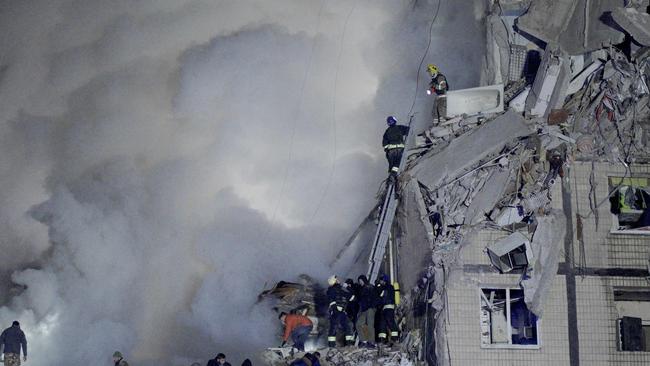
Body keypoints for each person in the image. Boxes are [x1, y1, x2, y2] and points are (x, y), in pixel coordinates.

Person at [326, 275, 354, 347]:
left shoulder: (341, 289)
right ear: (333, 281)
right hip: (336, 311)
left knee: (348, 326)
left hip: (343, 312)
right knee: (333, 328)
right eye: (336, 279)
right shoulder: (331, 290)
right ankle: (331, 346)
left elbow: (352, 298)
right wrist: (335, 310)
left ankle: (349, 345)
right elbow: (331, 300)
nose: (339, 280)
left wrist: (348, 287)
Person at [382, 116, 410, 182]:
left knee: (391, 165)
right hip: (399, 150)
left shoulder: (387, 131)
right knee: (397, 164)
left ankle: (391, 178)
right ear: (395, 121)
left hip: (391, 152)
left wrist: (387, 150)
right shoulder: (399, 128)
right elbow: (409, 130)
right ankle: (393, 175)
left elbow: (384, 144)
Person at [355, 275, 378, 348]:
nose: (360, 282)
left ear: (364, 280)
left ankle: (371, 342)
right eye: (359, 281)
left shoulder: (370, 287)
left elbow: (374, 298)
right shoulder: (361, 289)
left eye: (361, 281)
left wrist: (371, 306)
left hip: (370, 309)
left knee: (370, 325)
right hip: (364, 310)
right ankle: (363, 341)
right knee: (358, 324)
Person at [376, 274, 399, 344]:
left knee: (390, 322)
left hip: (388, 307)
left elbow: (382, 296)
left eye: (381, 280)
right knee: (382, 324)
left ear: (384, 280)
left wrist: (379, 287)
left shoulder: (388, 287)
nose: (380, 282)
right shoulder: (387, 287)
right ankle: (382, 340)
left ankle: (395, 338)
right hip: (385, 308)